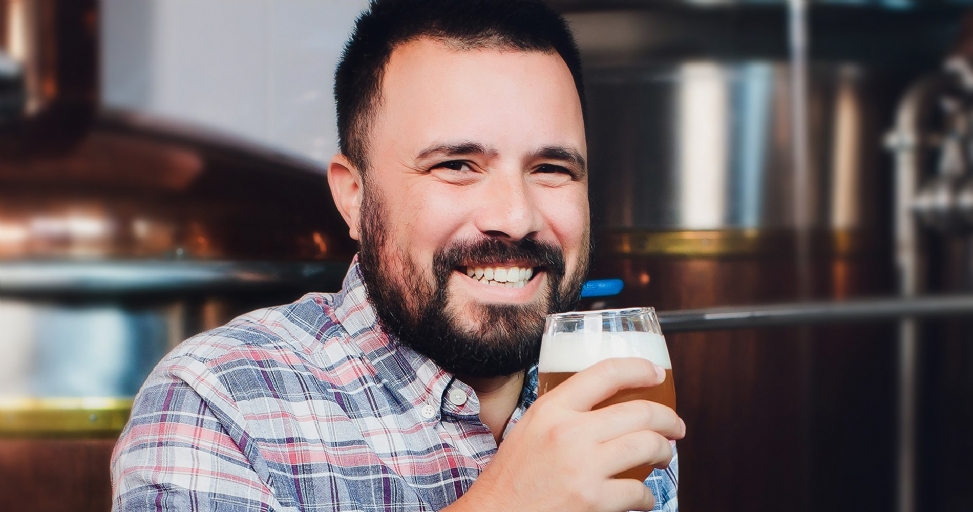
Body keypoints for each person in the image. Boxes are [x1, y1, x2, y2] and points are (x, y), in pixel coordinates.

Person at [110, 0, 685, 510]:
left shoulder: (608, 397)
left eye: (552, 169)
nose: (516, 217)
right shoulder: (220, 404)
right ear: (354, 198)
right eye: (456, 165)